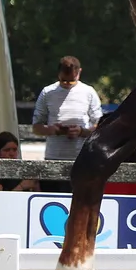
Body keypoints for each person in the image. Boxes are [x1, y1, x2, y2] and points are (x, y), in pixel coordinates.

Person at [31, 56, 102, 192]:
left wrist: (82, 131)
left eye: (72, 81)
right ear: (58, 74)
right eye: (64, 80)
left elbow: (100, 126)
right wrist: (52, 130)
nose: (68, 84)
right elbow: (36, 127)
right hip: (53, 159)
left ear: (79, 72)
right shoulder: (47, 92)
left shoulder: (89, 92)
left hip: (81, 160)